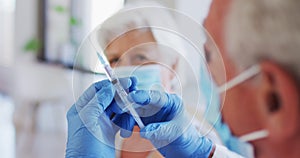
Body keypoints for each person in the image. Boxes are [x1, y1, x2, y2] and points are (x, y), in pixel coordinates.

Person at [66, 0, 300, 157]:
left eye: (140, 56)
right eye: (114, 60)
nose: (125, 69)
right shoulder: (109, 137)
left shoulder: (195, 135)